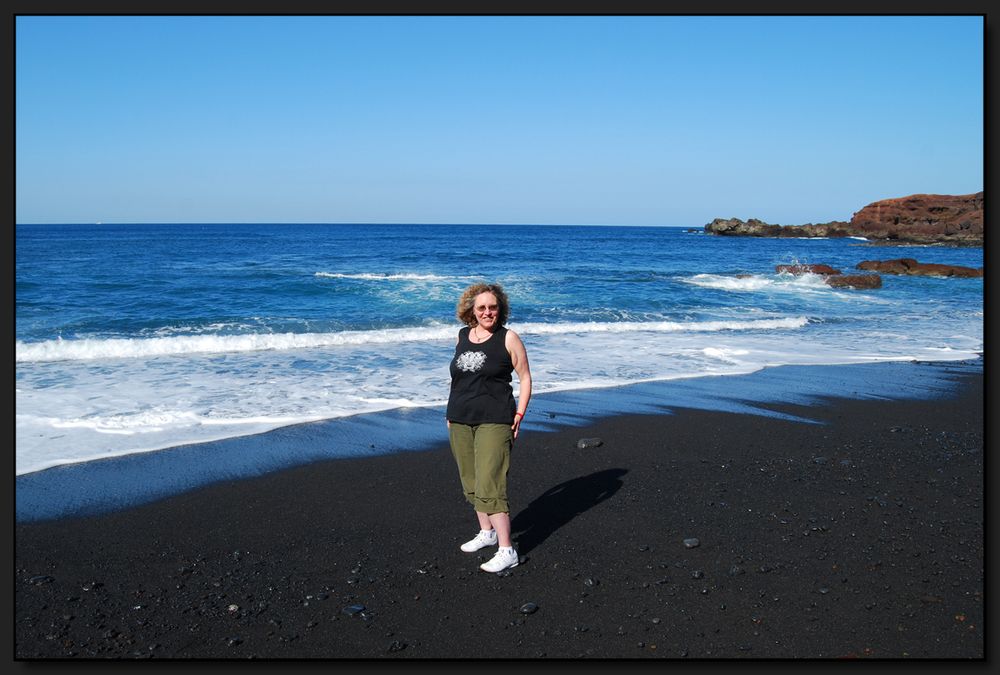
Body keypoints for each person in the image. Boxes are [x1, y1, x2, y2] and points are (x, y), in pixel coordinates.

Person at [446, 282, 532, 573]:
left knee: (490, 484)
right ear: (471, 309)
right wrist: (450, 413)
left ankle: (507, 550)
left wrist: (520, 412)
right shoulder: (462, 336)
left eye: (492, 307)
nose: (487, 312)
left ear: (500, 309)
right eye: (481, 307)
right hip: (459, 418)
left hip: (495, 420)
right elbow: (458, 378)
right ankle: (487, 532)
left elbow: (525, 378)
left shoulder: (508, 338)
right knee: (470, 482)